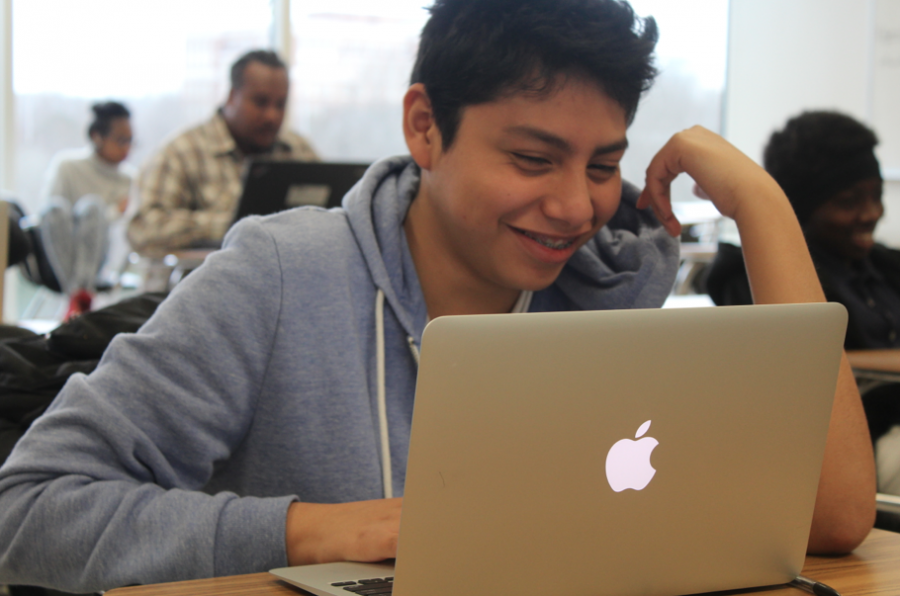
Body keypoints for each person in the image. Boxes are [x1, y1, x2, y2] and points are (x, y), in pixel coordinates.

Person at [0, 1, 875, 592]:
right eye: (533, 159)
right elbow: (29, 508)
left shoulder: (613, 294)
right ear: (425, 125)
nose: (576, 205)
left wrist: (761, 202)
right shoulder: (278, 278)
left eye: (603, 165)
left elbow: (834, 518)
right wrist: (304, 532)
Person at [705, 110, 900, 492]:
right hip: (861, 444)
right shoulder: (757, 278)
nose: (872, 213)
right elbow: (787, 365)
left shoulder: (886, 265)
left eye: (877, 195)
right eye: (849, 201)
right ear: (803, 207)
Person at [126, 50, 318, 258]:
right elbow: (143, 230)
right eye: (261, 102)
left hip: (286, 284)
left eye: (280, 105)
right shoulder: (181, 153)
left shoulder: (298, 149)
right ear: (231, 97)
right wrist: (239, 225)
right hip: (198, 285)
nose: (272, 115)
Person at [38, 101, 134, 315]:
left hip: (104, 262)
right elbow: (51, 219)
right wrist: (113, 211)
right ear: (97, 136)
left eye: (130, 141)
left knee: (93, 208)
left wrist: (112, 214)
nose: (127, 148)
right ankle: (80, 297)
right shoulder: (67, 166)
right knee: (60, 208)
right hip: (57, 259)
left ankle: (75, 299)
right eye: (121, 140)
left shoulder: (130, 180)